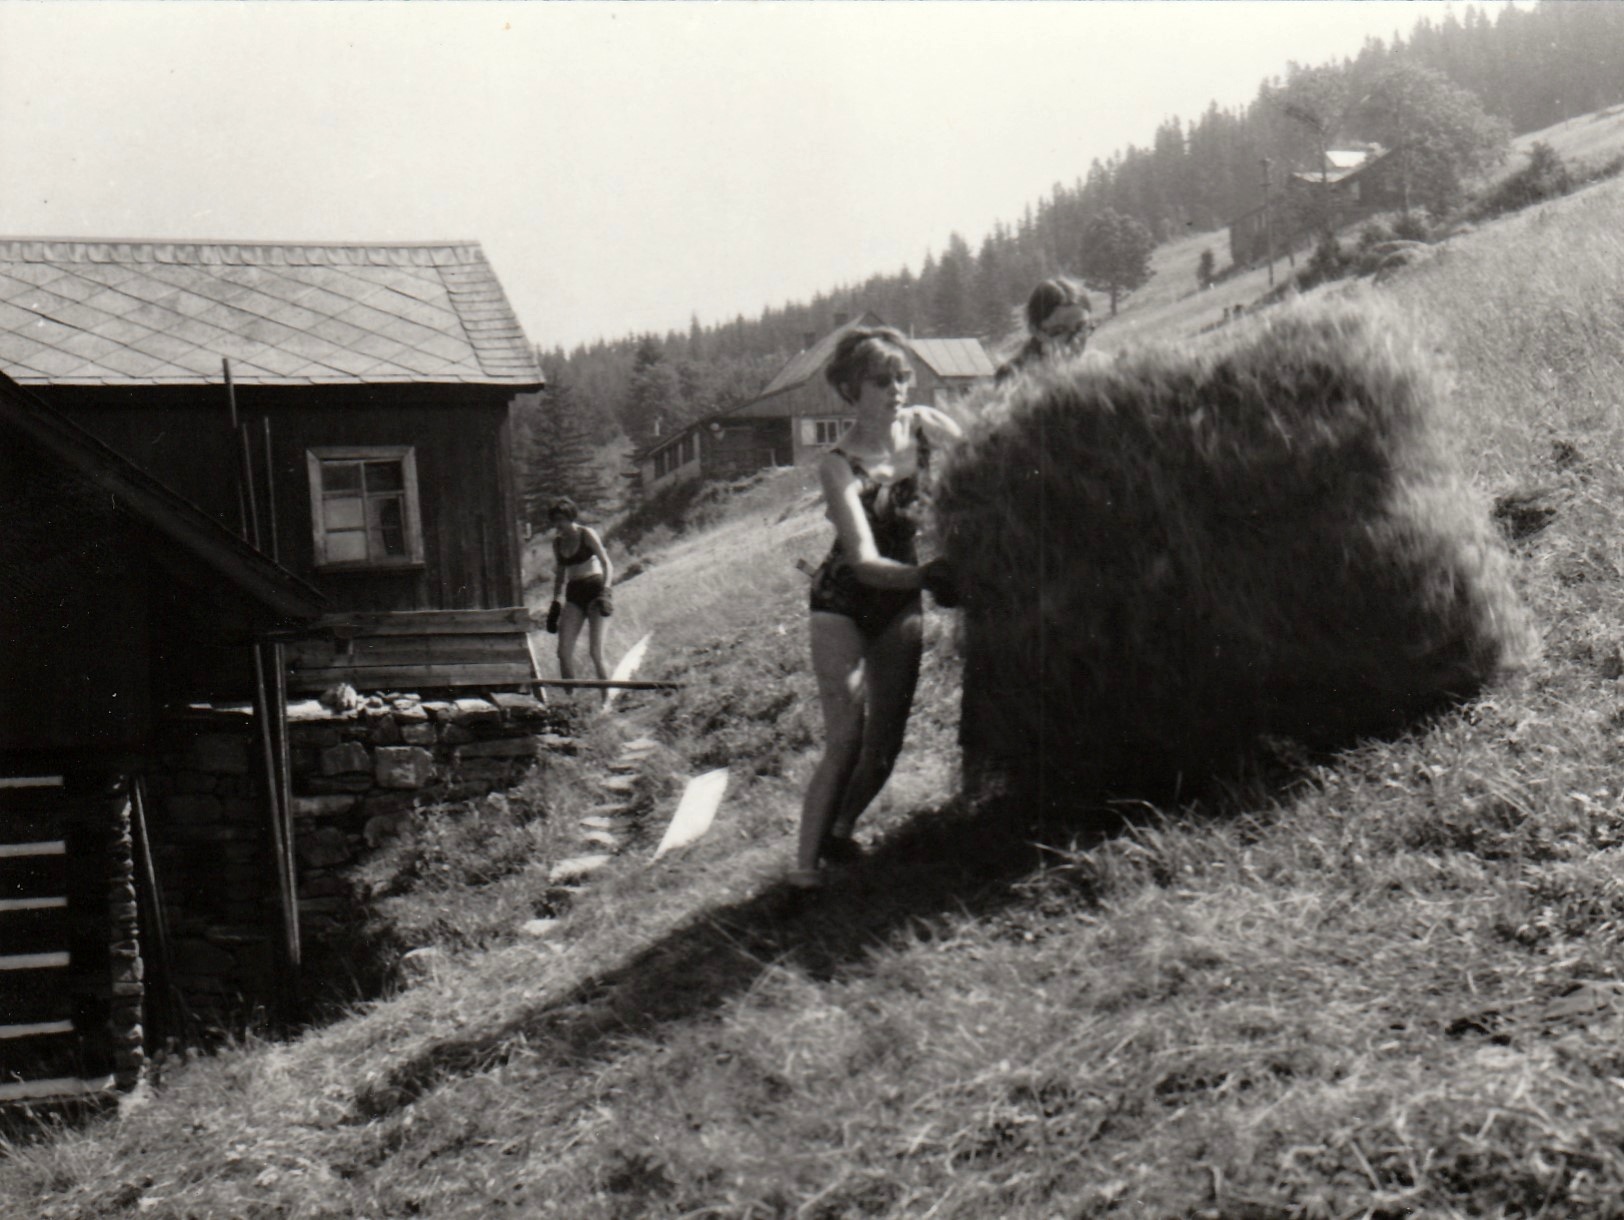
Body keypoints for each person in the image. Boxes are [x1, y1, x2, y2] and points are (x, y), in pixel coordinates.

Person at [793, 326, 964, 888]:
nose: (896, 389)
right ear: (850, 389)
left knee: (885, 747)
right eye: (881, 380)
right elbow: (864, 561)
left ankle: (840, 832)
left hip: (902, 599)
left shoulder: (928, 427)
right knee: (845, 740)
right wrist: (928, 575)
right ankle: (802, 875)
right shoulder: (837, 464)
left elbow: (982, 464)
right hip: (842, 600)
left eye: (902, 377)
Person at [544, 497, 614, 702]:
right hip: (574, 594)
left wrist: (606, 591)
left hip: (595, 590)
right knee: (563, 652)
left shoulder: (586, 534)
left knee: (595, 652)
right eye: (555, 520)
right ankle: (571, 701)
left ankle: (606, 701)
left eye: (561, 519)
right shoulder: (558, 542)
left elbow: (607, 563)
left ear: (570, 517)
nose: (558, 524)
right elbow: (560, 575)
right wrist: (555, 603)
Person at [994, 277, 1093, 383]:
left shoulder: (1094, 370)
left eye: (1081, 328)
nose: (1075, 342)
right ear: (1035, 331)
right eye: (1059, 331)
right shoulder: (1013, 380)